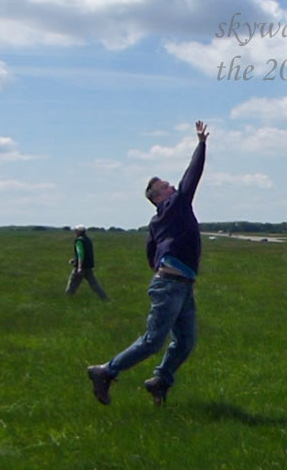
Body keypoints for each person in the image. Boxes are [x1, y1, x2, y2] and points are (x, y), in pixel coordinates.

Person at [88, 120, 208, 407]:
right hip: (170, 286)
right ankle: (105, 371)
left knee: (185, 341)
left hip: (181, 285)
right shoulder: (175, 206)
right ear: (159, 197)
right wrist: (201, 145)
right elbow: (192, 177)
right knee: (153, 341)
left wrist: (162, 267)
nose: (172, 186)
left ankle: (160, 381)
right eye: (166, 186)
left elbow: (150, 252)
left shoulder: (158, 221)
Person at [65, 226, 109, 301]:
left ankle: (67, 299)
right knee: (95, 285)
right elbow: (86, 253)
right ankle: (105, 299)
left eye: (76, 231)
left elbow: (81, 254)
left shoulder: (79, 241)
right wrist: (74, 259)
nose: (75, 232)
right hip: (88, 267)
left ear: (79, 232)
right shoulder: (88, 240)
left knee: (72, 284)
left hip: (81, 267)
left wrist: (79, 267)